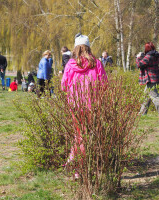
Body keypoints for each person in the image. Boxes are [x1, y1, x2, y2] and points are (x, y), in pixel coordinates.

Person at [61, 33, 108, 178]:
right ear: (88, 47)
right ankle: (80, 167)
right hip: (92, 105)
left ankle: (74, 162)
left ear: (76, 48)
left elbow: (63, 85)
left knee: (79, 134)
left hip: (75, 104)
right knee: (87, 136)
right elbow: (104, 84)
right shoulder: (97, 63)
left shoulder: (70, 64)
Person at [136, 42, 159, 118]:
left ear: (147, 49)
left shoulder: (149, 56)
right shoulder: (155, 55)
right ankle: (142, 113)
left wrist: (138, 57)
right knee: (146, 96)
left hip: (151, 79)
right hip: (155, 77)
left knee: (155, 96)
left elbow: (139, 65)